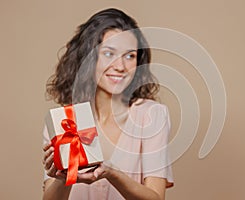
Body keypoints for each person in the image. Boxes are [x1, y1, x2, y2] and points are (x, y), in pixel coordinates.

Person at [42, 8, 174, 200]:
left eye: (130, 56)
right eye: (109, 53)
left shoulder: (152, 115)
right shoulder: (65, 122)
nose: (120, 66)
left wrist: (112, 173)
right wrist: (63, 177)